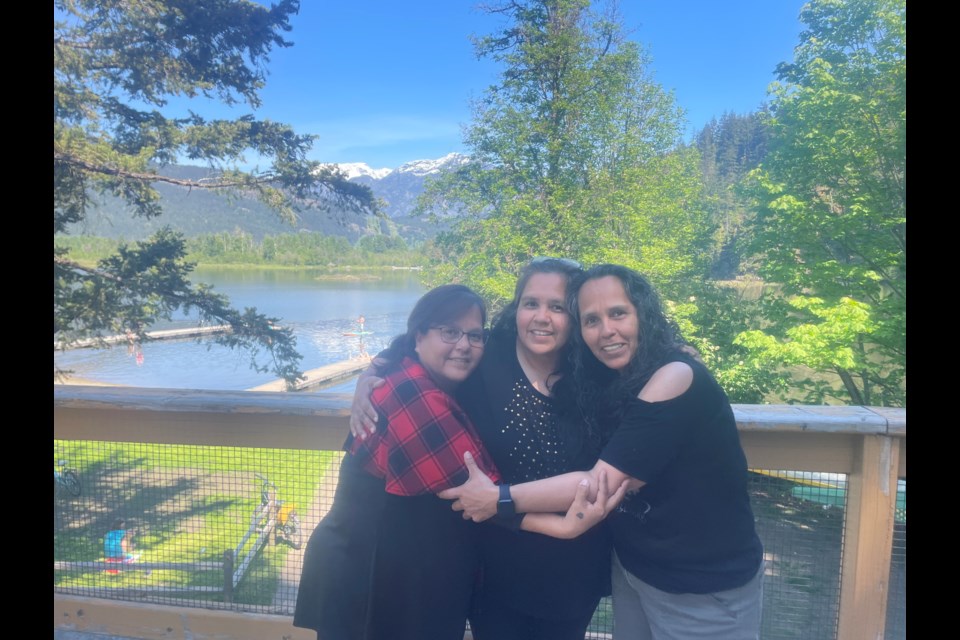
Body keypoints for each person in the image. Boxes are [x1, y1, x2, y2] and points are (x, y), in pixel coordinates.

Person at [440, 264, 765, 640]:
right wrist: (384, 366)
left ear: (643, 313)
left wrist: (498, 499)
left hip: (701, 582)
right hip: (633, 571)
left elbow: (600, 483)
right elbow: (434, 345)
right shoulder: (604, 371)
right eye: (592, 319)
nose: (606, 330)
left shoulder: (670, 376)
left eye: (618, 314)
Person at [350, 258, 612, 640]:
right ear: (517, 309)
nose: (542, 317)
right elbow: (418, 353)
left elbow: (636, 349)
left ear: (575, 317)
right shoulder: (486, 359)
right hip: (494, 571)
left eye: (557, 307)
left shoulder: (597, 375)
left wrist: (676, 350)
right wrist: (370, 375)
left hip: (574, 570)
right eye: (531, 303)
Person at [293, 284, 501, 640]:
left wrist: (368, 370)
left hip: (378, 572)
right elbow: (485, 489)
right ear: (419, 336)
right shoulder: (414, 393)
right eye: (449, 331)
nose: (464, 345)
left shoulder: (407, 371)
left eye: (475, 335)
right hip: (368, 579)